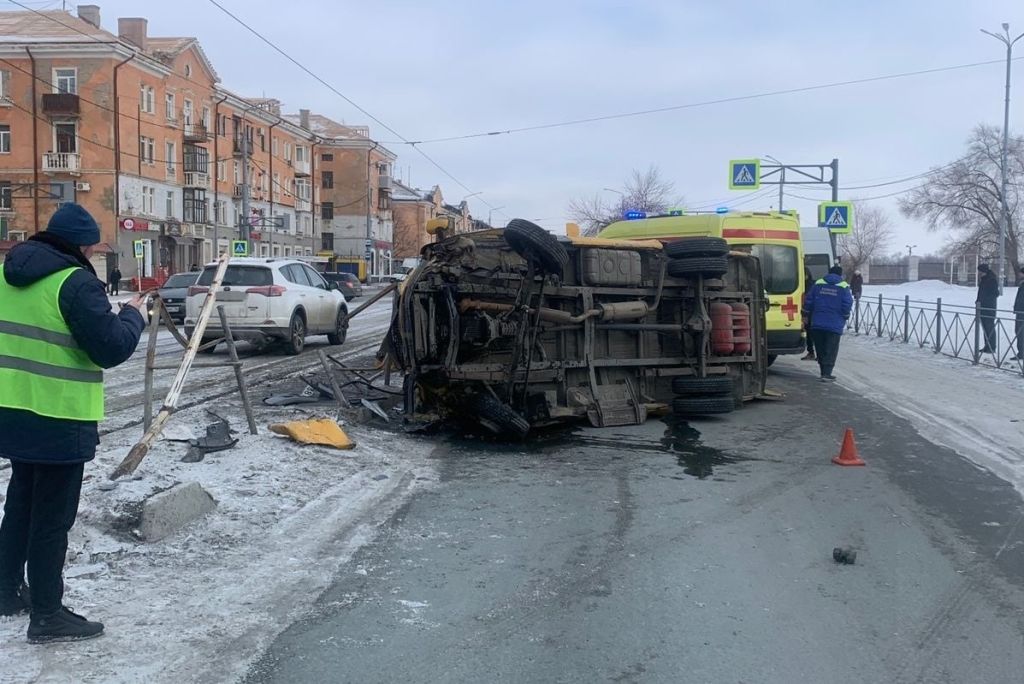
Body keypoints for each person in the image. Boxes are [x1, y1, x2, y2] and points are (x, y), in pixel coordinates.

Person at [0, 203, 146, 643]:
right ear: (83, 245)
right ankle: (47, 614)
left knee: (20, 504)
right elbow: (111, 348)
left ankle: (5, 592)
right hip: (59, 415)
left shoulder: (8, 275)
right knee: (52, 518)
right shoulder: (76, 283)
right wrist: (133, 315)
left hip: (13, 409)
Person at [804, 265, 853, 382]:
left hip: (817, 322)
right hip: (834, 323)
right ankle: (827, 373)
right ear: (840, 274)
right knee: (831, 348)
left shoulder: (818, 284)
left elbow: (809, 299)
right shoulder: (843, 285)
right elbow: (847, 303)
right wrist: (846, 315)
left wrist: (805, 313)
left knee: (820, 347)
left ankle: (823, 372)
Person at [976, 263, 999, 354]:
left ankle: (991, 347)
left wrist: (983, 301)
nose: (978, 273)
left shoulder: (991, 280)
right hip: (982, 307)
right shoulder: (984, 279)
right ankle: (987, 346)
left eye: (979, 271)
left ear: (983, 271)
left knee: (989, 327)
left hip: (989, 308)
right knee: (985, 327)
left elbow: (995, 294)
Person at [801, 267, 815, 361]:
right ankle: (811, 352)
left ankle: (812, 353)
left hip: (810, 312)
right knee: (809, 332)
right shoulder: (804, 284)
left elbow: (809, 299)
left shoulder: (810, 285)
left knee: (811, 332)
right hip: (806, 311)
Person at [1012, 266, 1024, 362]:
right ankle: (1021, 352)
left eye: (1021, 273)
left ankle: (1021, 353)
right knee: (1019, 332)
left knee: (1020, 332)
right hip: (1020, 311)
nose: (1019, 274)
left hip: (1022, 312)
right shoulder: (1022, 284)